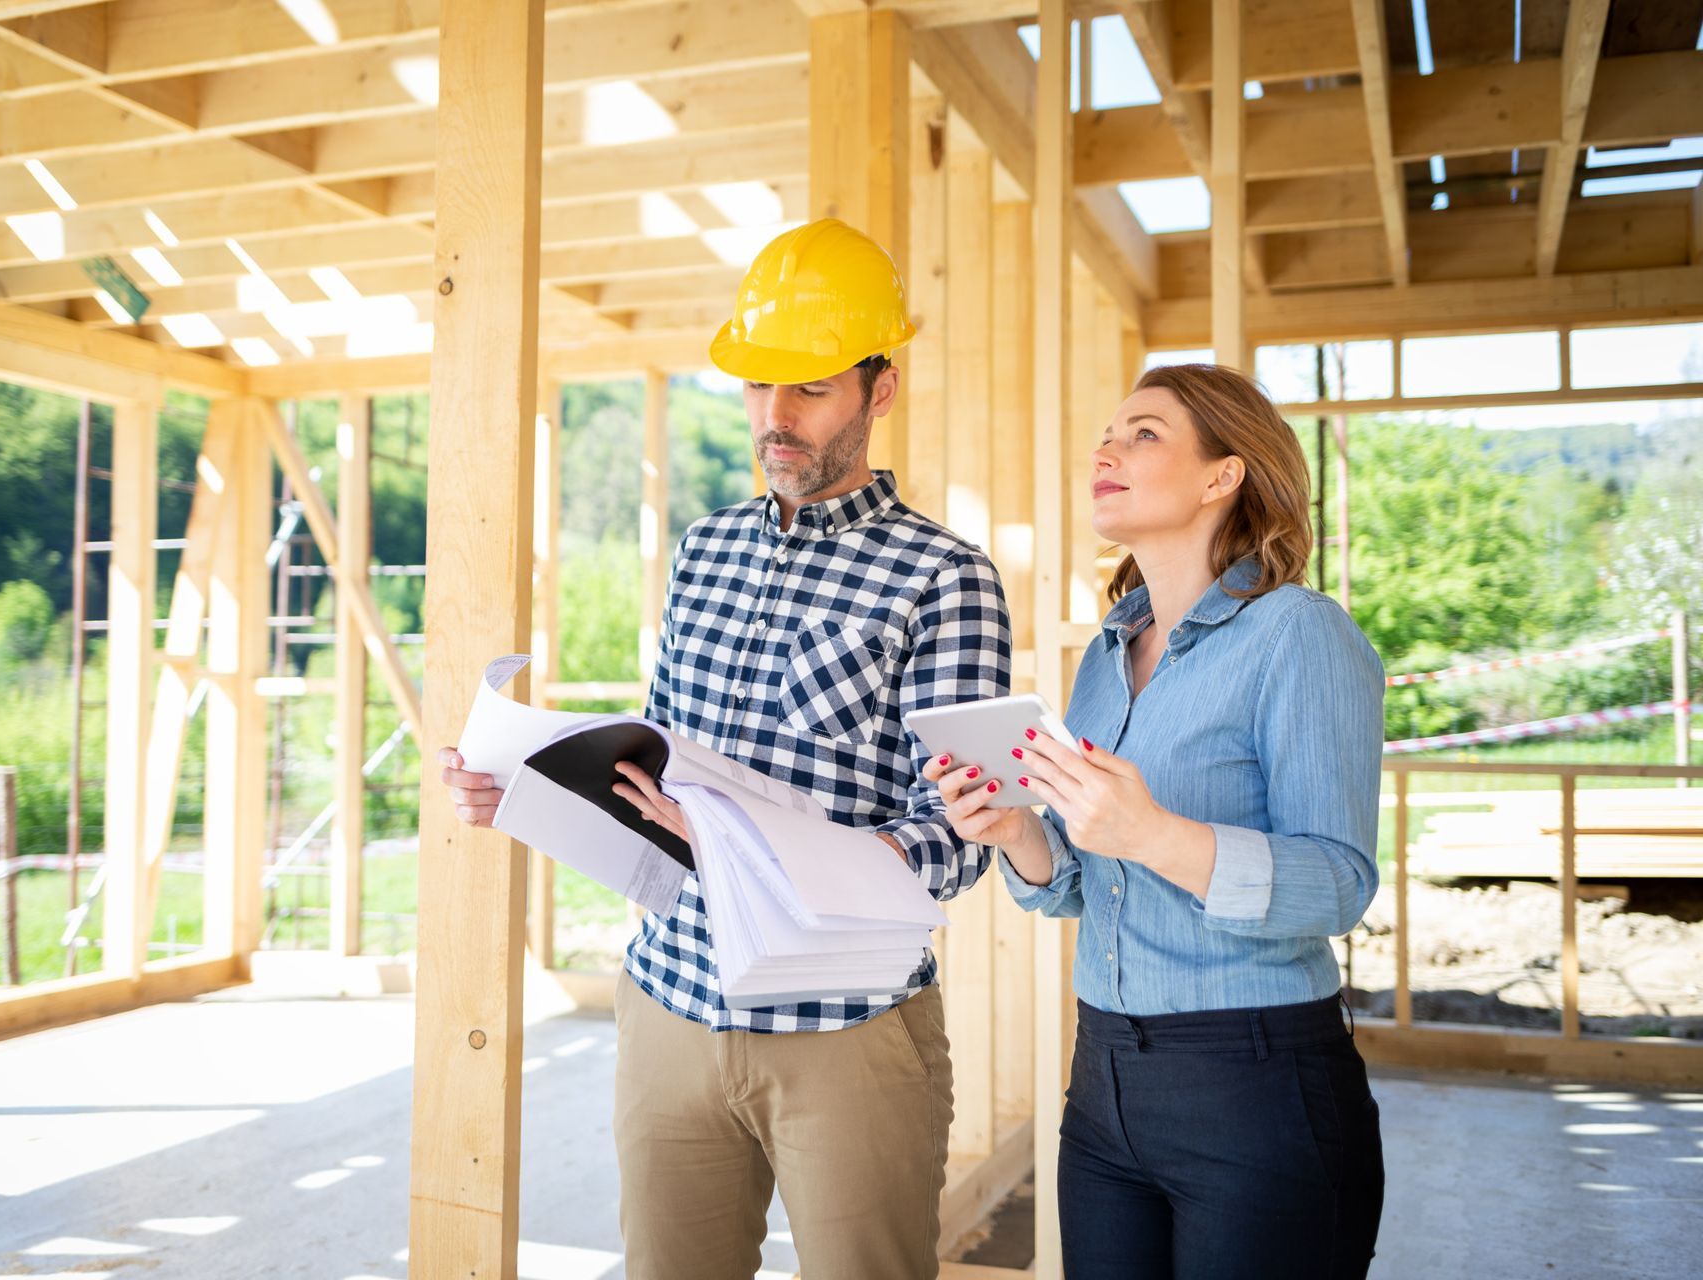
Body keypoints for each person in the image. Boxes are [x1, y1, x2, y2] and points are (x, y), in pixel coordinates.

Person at [437, 218, 1012, 1280]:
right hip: (669, 1000)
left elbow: (962, 840)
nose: (775, 419)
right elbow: (654, 774)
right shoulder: (702, 552)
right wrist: (522, 785)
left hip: (846, 1028)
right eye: (757, 387)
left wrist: (773, 845)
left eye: (810, 389)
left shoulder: (946, 577)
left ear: (880, 390)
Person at [929, 362, 1387, 1278]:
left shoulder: (1299, 633)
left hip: (1256, 1086)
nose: (1108, 448)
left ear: (1224, 476)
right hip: (1101, 1082)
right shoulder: (1103, 655)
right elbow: (1077, 885)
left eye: (1144, 433)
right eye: (1108, 432)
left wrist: (1151, 833)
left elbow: (1339, 883)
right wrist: (1016, 832)